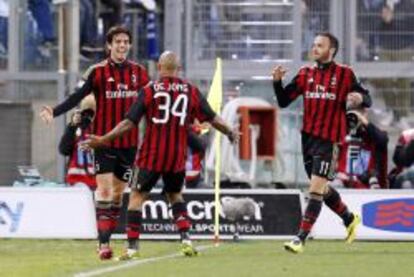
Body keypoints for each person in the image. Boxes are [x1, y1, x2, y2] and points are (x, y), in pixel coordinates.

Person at [83, 51, 239, 260]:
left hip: (152, 154)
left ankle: (132, 248)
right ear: (179, 69)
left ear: (159, 67)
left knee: (137, 197)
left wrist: (104, 139)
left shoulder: (150, 90)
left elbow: (129, 123)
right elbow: (212, 117)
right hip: (176, 156)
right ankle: (186, 239)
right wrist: (229, 131)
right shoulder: (190, 91)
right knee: (175, 195)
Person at [39, 25, 149, 260]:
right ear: (109, 45)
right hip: (102, 141)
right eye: (117, 41)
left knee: (119, 195)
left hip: (129, 144)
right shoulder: (96, 72)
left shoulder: (140, 73)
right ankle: (103, 244)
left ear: (129, 45)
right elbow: (76, 98)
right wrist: (55, 111)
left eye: (125, 41)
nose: (121, 45)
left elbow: (152, 104)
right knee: (105, 189)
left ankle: (107, 235)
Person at [272, 32, 372, 253]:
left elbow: (368, 98)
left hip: (329, 140)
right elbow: (284, 101)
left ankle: (300, 238)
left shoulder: (345, 74)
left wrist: (359, 99)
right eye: (314, 45)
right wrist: (277, 83)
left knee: (315, 189)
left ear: (331, 50)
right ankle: (349, 218)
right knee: (322, 188)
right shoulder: (305, 73)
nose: (315, 49)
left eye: (320, 45)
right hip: (308, 138)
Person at [334, 105, 388, 189]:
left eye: (358, 111)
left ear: (365, 113)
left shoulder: (372, 136)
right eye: (351, 111)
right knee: (334, 185)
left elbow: (382, 140)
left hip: (367, 183)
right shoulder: (341, 134)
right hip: (342, 183)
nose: (354, 116)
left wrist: (362, 120)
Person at [58, 95, 97, 191]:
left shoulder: (103, 126)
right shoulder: (75, 127)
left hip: (95, 181)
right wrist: (72, 127)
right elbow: (64, 150)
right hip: (78, 180)